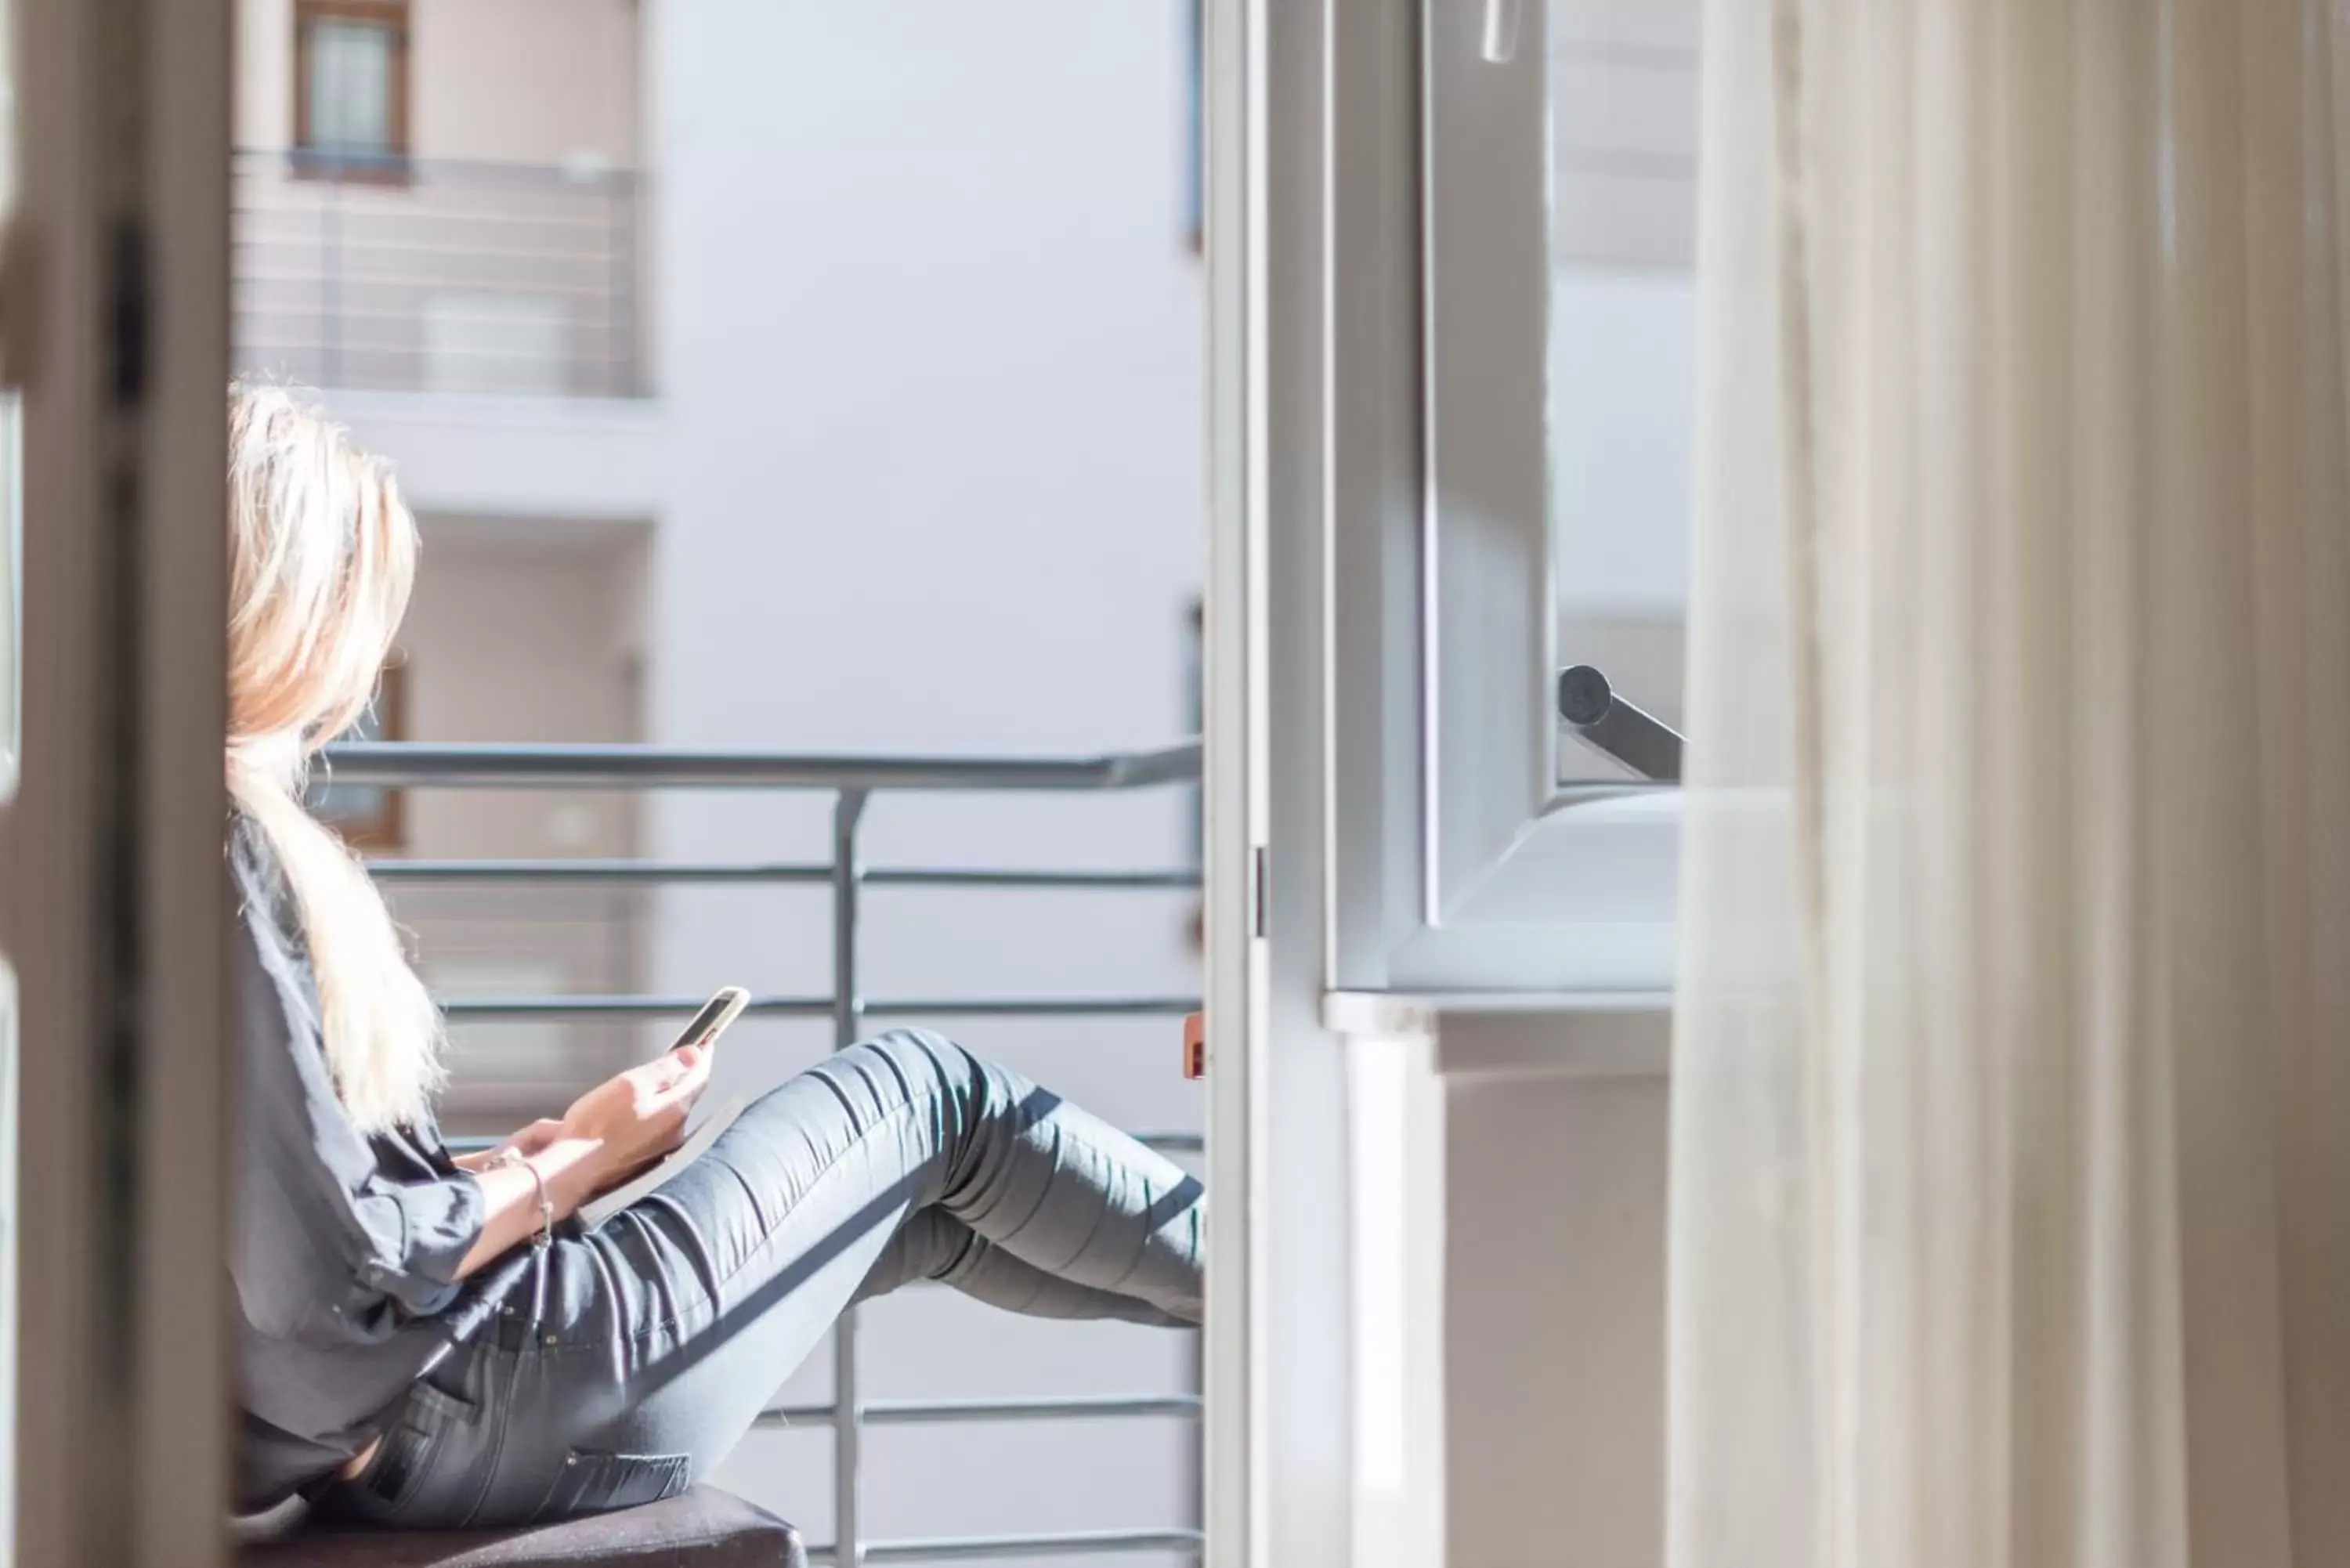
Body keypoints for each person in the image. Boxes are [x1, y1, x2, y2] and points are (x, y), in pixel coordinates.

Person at [226, 386, 1205, 1528]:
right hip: (488, 1393)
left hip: (425, 1421)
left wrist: (509, 1170)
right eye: (354, 618)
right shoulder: (214, 849)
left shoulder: (162, 848)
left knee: (905, 1218)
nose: (358, 677)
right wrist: (574, 1164)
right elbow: (336, 1273)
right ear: (285, 608)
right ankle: (1300, 1271)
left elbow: (307, 1216)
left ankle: (1274, 1308)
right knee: (933, 1093)